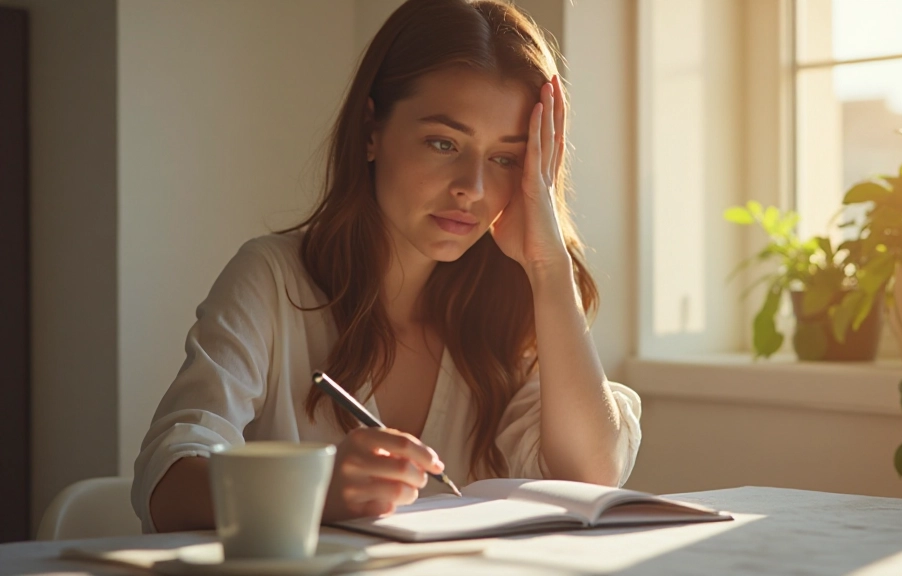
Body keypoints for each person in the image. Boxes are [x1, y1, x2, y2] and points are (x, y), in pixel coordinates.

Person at [131, 0, 642, 534]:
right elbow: (166, 482)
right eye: (444, 143)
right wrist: (319, 491)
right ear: (371, 130)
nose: (473, 186)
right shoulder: (273, 281)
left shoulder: (517, 306)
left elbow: (591, 478)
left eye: (506, 159)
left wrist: (547, 266)